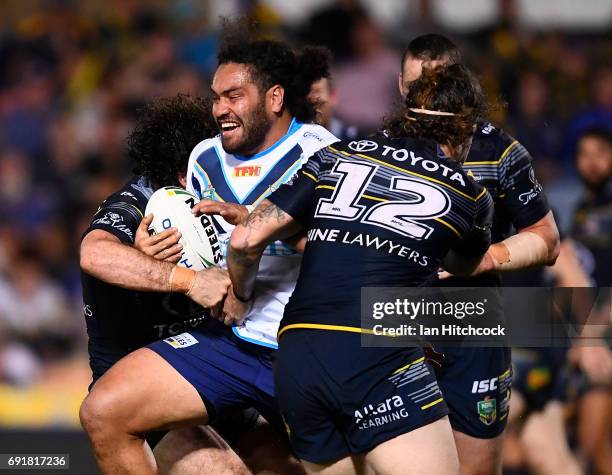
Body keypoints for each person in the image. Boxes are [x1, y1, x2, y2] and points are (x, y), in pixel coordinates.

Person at [79, 22, 338, 475]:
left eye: (232, 97)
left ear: (274, 98)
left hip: (303, 345)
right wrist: (172, 269)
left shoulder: (324, 156)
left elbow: (346, 251)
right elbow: (95, 253)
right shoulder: (169, 183)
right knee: (112, 414)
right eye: (215, 98)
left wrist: (262, 231)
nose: (221, 110)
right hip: (222, 351)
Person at [225, 64, 494, 475]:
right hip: (377, 349)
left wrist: (241, 296)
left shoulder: (334, 155)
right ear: (464, 131)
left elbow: (245, 239)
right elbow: (462, 265)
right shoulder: (469, 193)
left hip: (299, 353)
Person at [399, 34, 560, 475]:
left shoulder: (501, 152)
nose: (431, 104)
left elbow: (548, 239)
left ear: (462, 88)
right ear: (400, 88)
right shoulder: (378, 149)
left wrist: (485, 258)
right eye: (418, 92)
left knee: (476, 468)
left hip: (473, 322)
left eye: (442, 88)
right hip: (396, 319)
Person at [79, 94, 253, 473]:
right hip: (143, 392)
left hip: (211, 373)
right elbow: (95, 255)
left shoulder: (224, 200)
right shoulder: (134, 205)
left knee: (294, 460)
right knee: (224, 469)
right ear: (181, 172)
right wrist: (186, 279)